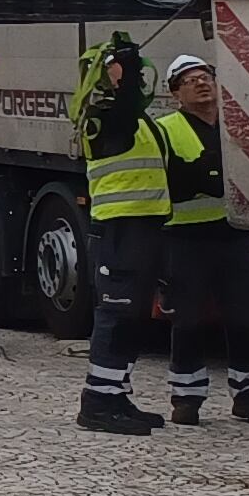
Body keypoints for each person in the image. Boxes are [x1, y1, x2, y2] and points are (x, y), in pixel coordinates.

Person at [158, 51, 249, 425]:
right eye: (189, 79)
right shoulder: (165, 130)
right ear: (176, 93)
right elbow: (169, 181)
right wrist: (204, 176)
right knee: (188, 318)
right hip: (186, 238)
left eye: (205, 75)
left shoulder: (236, 127)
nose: (201, 82)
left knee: (247, 316)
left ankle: (247, 395)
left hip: (235, 234)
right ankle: (186, 398)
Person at [77, 35, 177, 434]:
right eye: (114, 66)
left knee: (134, 316)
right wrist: (129, 70)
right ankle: (97, 401)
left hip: (144, 225)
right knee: (116, 314)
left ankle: (116, 392)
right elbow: (127, 108)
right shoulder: (102, 113)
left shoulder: (135, 116)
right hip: (118, 227)